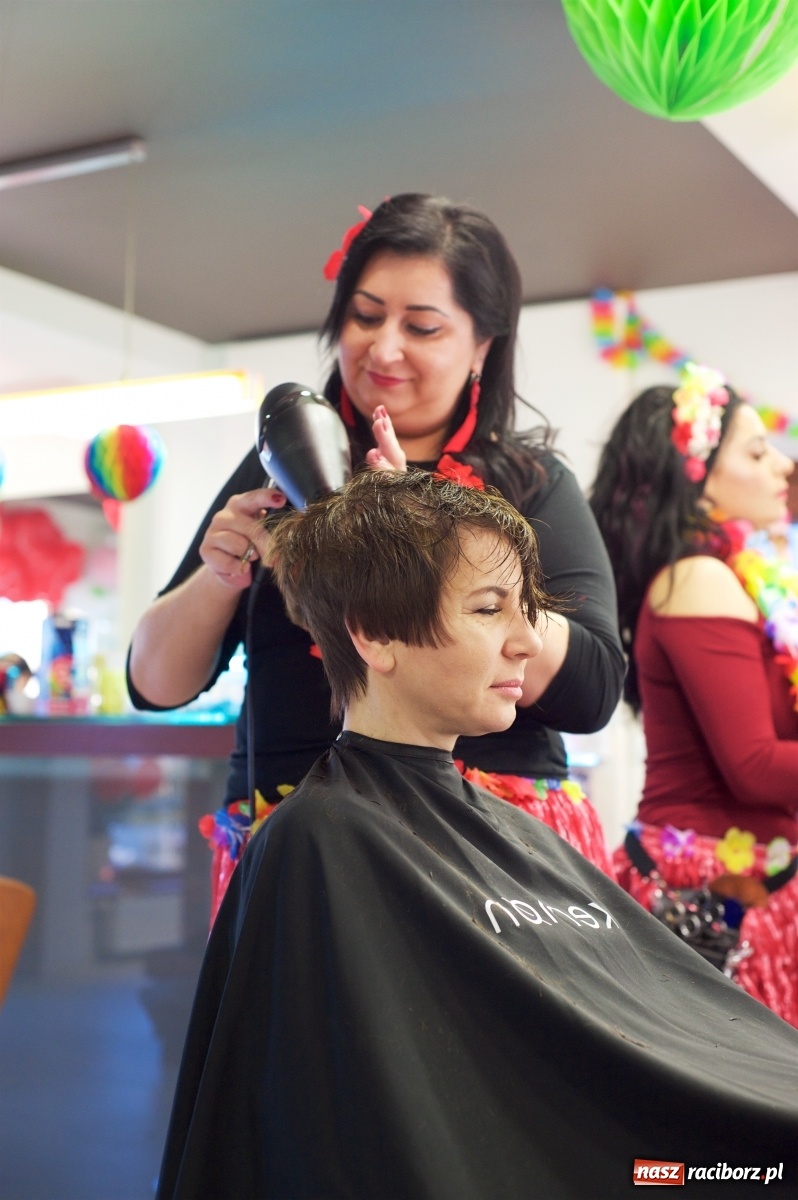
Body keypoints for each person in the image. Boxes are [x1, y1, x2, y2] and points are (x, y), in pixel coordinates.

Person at [156, 470, 798, 1200]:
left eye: (525, 610)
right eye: (490, 609)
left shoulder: (511, 834)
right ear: (373, 634)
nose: (526, 642)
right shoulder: (322, 843)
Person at [128, 194, 624, 919]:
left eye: (421, 326)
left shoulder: (532, 484)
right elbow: (154, 685)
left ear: (483, 345)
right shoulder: (278, 470)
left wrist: (430, 540)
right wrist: (220, 578)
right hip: (300, 845)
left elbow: (592, 689)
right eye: (365, 316)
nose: (382, 348)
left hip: (487, 854)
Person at [590, 363, 798, 1025]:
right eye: (758, 452)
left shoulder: (728, 574)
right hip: (715, 893)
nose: (782, 468)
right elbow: (757, 766)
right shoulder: (699, 578)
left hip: (749, 880)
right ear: (698, 482)